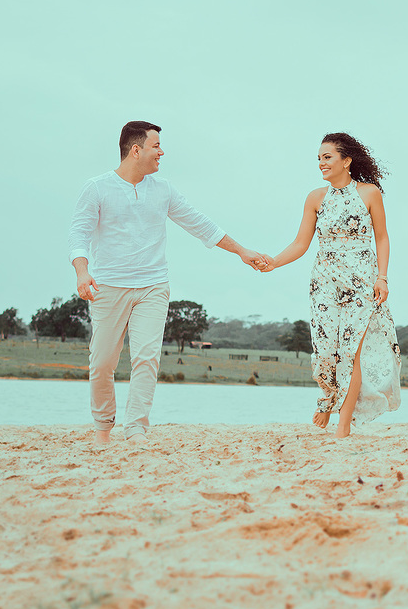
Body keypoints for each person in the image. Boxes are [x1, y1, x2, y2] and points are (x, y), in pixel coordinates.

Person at [67, 121, 267, 445]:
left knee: (147, 358)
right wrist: (82, 271)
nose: (162, 152)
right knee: (102, 362)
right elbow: (79, 233)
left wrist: (241, 250)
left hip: (153, 286)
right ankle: (103, 428)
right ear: (136, 150)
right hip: (109, 287)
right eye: (156, 146)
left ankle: (136, 430)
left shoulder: (164, 190)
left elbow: (200, 223)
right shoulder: (97, 188)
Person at [261, 133, 401, 437]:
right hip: (324, 283)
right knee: (325, 351)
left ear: (346, 160)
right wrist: (274, 261)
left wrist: (382, 277)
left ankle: (343, 426)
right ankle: (327, 399)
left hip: (362, 283)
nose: (321, 163)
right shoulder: (315, 198)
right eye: (319, 159)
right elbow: (301, 243)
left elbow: (382, 237)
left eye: (327, 157)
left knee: (350, 354)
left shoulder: (369, 193)